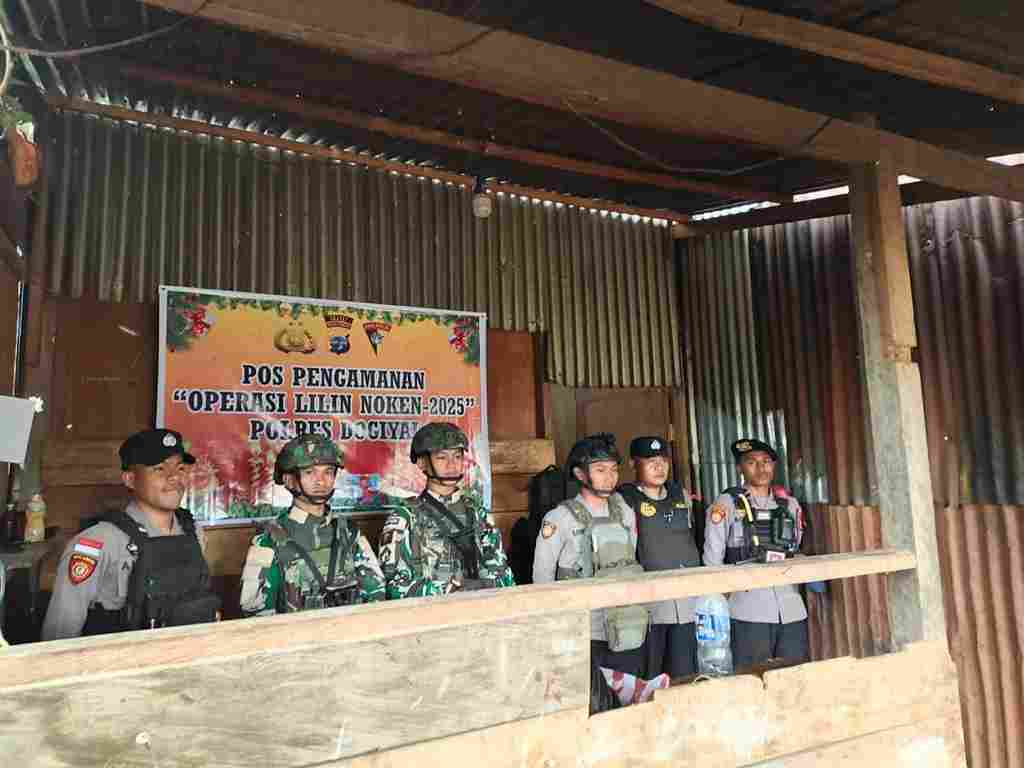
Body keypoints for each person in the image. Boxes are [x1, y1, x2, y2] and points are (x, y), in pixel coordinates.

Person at [42, 429, 220, 640]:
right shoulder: (97, 543)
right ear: (130, 479)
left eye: (180, 468)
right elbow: (58, 638)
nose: (174, 477)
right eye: (159, 468)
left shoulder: (194, 533)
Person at [533, 433, 648, 677]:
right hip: (582, 628)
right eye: (600, 470)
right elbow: (542, 576)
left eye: (614, 469)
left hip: (625, 622)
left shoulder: (624, 512)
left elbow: (630, 558)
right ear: (580, 474)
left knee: (627, 689)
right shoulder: (559, 518)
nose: (610, 477)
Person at [239, 434, 384, 615]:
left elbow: (376, 594)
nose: (321, 481)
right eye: (309, 472)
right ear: (288, 479)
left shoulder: (348, 531)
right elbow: (256, 615)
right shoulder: (268, 541)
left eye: (328, 472)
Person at [703, 438, 809, 668]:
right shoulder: (727, 504)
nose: (761, 468)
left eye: (766, 462)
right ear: (739, 468)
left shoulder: (789, 505)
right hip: (748, 611)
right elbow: (712, 560)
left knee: (794, 675)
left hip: (790, 608)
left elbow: (795, 548)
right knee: (752, 677)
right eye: (751, 462)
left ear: (774, 465)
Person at [379, 422, 514, 598]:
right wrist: (446, 590)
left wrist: (484, 585)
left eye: (457, 456)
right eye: (442, 457)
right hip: (431, 611)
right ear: (422, 462)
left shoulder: (477, 512)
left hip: (479, 606)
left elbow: (503, 574)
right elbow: (392, 586)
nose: (452, 465)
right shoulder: (404, 518)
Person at [618, 436, 700, 679]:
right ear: (633, 464)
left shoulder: (680, 494)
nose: (659, 467)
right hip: (650, 605)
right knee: (651, 674)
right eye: (650, 461)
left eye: (663, 460)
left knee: (685, 673)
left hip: (687, 601)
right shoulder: (624, 499)